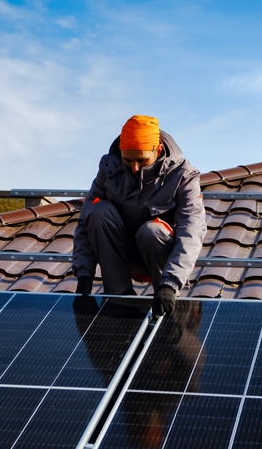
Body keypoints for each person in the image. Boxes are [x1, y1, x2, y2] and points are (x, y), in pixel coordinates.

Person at [71, 115, 205, 317]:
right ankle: (118, 297)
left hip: (159, 254)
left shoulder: (183, 176)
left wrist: (170, 284)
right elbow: (85, 223)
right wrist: (84, 273)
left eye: (142, 161)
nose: (134, 168)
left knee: (152, 231)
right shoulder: (109, 169)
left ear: (158, 150)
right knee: (98, 212)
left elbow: (191, 233)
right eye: (127, 160)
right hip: (120, 254)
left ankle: (165, 300)